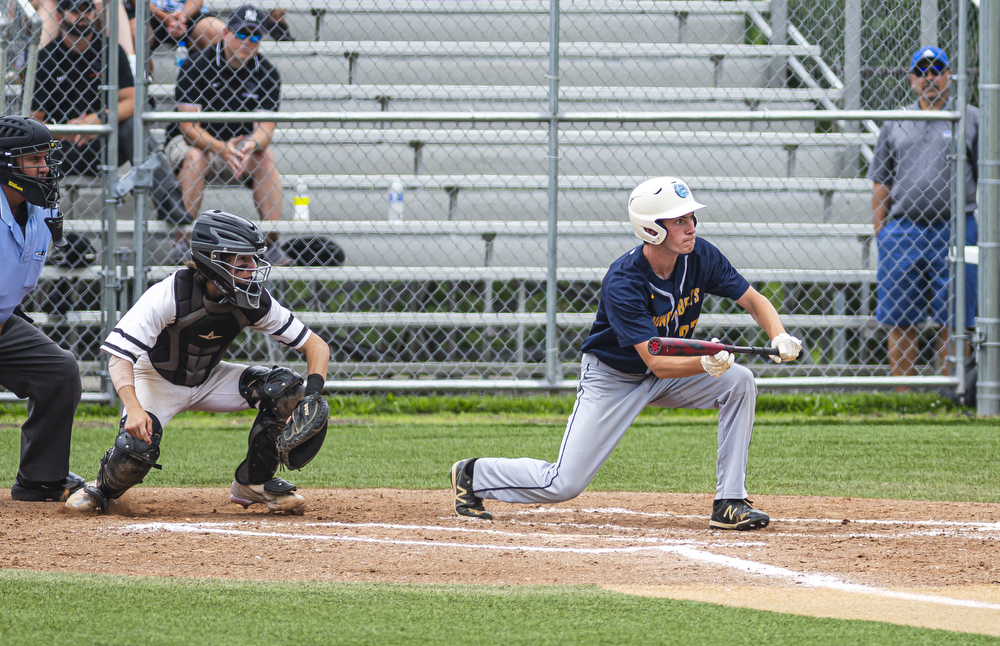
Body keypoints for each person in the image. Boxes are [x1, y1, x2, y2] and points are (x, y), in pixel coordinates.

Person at [450, 177, 803, 531]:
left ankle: (729, 501)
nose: (691, 227)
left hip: (669, 373)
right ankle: (473, 474)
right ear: (651, 229)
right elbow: (655, 362)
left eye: (691, 218)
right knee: (563, 484)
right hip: (613, 380)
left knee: (739, 381)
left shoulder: (700, 255)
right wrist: (704, 363)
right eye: (679, 220)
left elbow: (753, 300)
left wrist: (779, 334)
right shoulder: (624, 280)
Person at [65, 210, 331, 514]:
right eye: (243, 261)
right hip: (154, 379)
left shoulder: (255, 300)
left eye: (254, 260)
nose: (253, 269)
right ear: (213, 260)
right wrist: (135, 409)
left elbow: (316, 346)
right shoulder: (171, 293)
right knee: (135, 451)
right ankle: (102, 490)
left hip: (207, 378)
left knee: (285, 389)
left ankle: (253, 482)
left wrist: (311, 396)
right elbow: (119, 355)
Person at [869, 46, 979, 388]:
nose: (930, 78)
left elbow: (985, 174)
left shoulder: (971, 118)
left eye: (937, 70)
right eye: (922, 72)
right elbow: (881, 181)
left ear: (949, 76)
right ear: (913, 80)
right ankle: (904, 396)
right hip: (903, 229)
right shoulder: (895, 121)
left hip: (957, 227)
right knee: (901, 319)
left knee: (957, 318)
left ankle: (955, 391)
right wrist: (881, 232)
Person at [31, 0, 191, 225]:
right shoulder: (46, 58)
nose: (82, 16)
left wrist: (98, 120)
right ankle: (31, 224)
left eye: (87, 9)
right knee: (32, 147)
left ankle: (171, 204)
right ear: (60, 16)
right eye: (75, 10)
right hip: (61, 148)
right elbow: (35, 121)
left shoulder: (110, 50)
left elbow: (134, 101)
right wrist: (66, 131)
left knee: (133, 126)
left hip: (106, 143)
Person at [0, 115, 85, 502]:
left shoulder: (41, 211)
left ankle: (40, 479)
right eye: (32, 159)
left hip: (3, 322)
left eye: (45, 158)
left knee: (59, 370)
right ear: (6, 164)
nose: (44, 168)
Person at [165, 4, 287, 264]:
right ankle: (183, 243)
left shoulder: (267, 72)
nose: (248, 41)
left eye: (255, 36)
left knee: (265, 157)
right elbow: (188, 128)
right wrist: (221, 147)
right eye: (242, 33)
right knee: (198, 156)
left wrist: (248, 145)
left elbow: (266, 130)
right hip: (195, 143)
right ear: (225, 34)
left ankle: (273, 244)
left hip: (238, 148)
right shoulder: (197, 64)